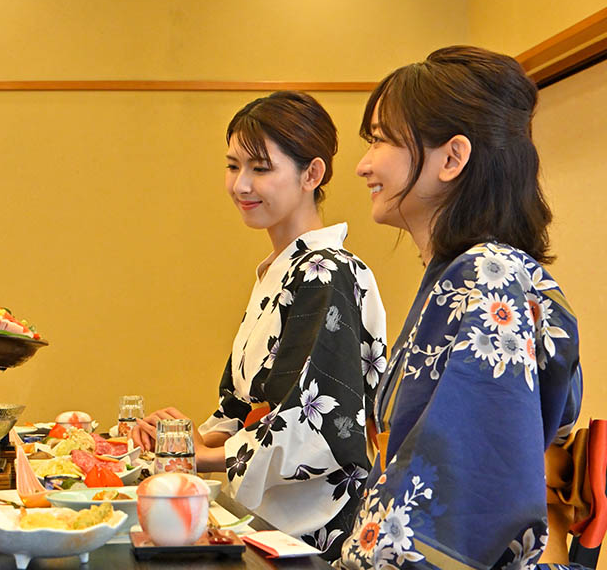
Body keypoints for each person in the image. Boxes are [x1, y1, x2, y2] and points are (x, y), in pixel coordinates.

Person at [337, 46, 582, 568]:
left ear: (452, 158)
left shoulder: (486, 276)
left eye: (379, 139)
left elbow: (469, 497)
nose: (363, 165)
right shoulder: (471, 273)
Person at [132, 91, 387, 558]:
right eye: (233, 166)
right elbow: (239, 408)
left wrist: (200, 457)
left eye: (260, 168)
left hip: (313, 528)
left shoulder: (325, 270)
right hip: (267, 517)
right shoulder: (280, 269)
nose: (241, 185)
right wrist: (181, 439)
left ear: (312, 174)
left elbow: (318, 424)